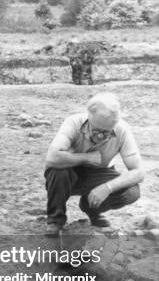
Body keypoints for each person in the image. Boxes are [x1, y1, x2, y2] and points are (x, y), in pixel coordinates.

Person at [44, 92, 144, 234]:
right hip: (71, 171)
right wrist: (86, 157)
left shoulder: (122, 129)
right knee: (57, 170)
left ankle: (92, 208)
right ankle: (55, 220)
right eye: (97, 130)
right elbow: (52, 158)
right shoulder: (73, 122)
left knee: (132, 190)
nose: (102, 136)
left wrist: (107, 188)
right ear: (89, 116)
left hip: (101, 172)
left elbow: (138, 172)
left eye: (108, 132)